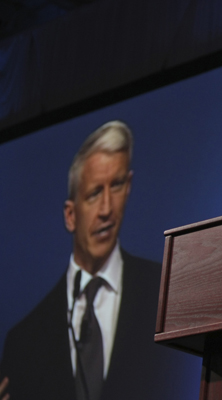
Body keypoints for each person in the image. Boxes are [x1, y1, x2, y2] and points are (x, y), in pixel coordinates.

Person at [0, 121, 183, 400]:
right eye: (95, 193)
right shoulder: (24, 341)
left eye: (117, 185)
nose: (107, 209)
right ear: (70, 215)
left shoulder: (166, 295)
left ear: (130, 186)